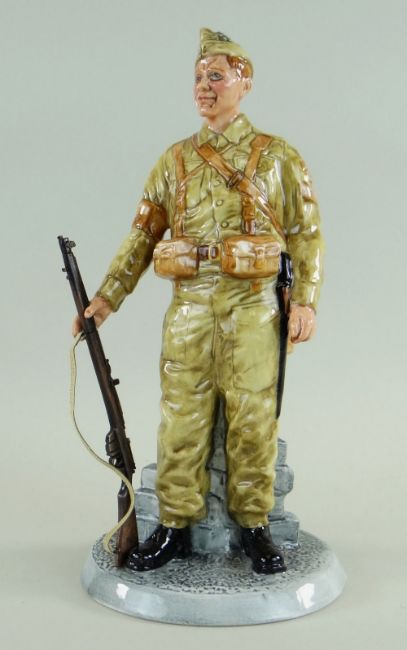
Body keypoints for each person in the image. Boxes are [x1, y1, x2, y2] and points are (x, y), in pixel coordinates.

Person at [73, 28, 323, 574]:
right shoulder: (174, 162)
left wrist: (304, 301)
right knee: (180, 416)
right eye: (197, 78)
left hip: (254, 307)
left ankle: (253, 524)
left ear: (244, 83)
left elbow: (305, 233)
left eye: (216, 76)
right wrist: (107, 298)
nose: (204, 87)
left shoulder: (278, 158)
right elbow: (143, 234)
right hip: (189, 307)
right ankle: (174, 525)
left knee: (253, 416)